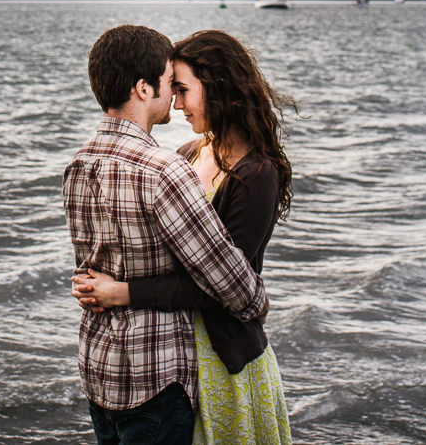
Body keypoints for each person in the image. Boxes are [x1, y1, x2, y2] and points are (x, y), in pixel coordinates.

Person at [74, 29, 295, 445]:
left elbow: (223, 289)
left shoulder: (257, 174)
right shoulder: (189, 154)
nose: (175, 104)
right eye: (171, 89)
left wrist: (124, 292)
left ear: (220, 89)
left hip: (220, 359)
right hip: (169, 357)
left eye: (183, 90)